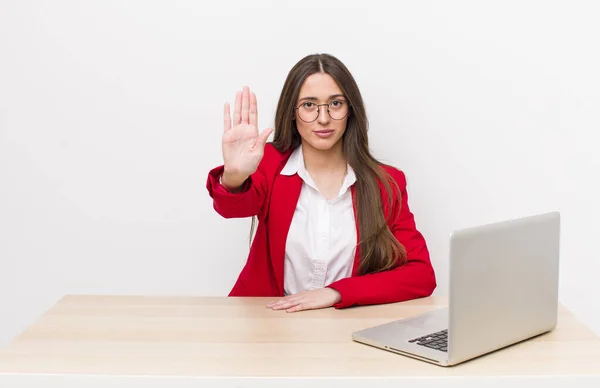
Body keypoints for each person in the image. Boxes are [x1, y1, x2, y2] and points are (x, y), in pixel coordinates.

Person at [206, 53, 436, 312]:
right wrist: (235, 175)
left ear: (350, 110)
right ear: (291, 113)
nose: (323, 118)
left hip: (344, 326)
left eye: (335, 103)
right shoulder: (269, 163)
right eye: (309, 105)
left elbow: (421, 275)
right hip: (267, 323)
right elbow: (232, 208)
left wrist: (337, 292)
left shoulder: (386, 182)